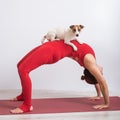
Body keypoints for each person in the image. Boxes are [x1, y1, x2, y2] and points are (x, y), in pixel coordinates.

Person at [10, 40, 109, 114]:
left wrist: (104, 101)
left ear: (92, 72)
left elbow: (101, 81)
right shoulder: (91, 63)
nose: (102, 72)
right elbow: (99, 80)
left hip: (52, 51)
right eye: (101, 73)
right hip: (52, 45)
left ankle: (27, 105)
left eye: (100, 73)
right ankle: (24, 95)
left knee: (23, 70)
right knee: (20, 65)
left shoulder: (90, 63)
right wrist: (100, 97)